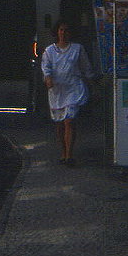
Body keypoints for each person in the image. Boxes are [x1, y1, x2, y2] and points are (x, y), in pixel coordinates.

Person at [41, 19, 95, 165]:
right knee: (59, 123)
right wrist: (48, 78)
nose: (63, 33)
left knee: (69, 121)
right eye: (61, 30)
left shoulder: (78, 49)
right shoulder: (50, 51)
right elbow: (46, 67)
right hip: (57, 91)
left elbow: (86, 67)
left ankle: (69, 155)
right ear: (57, 32)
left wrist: (91, 82)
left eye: (66, 30)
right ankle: (63, 152)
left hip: (73, 88)